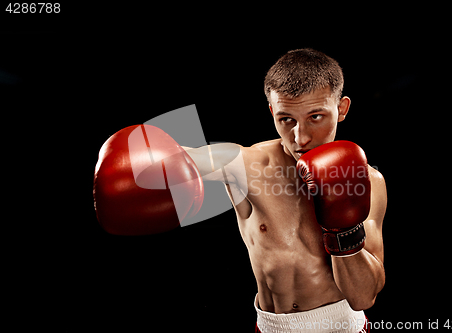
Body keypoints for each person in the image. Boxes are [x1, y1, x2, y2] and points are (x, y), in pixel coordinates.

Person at [94, 48, 387, 333]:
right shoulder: (245, 164)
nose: (301, 137)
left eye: (316, 117)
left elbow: (364, 297)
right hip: (273, 327)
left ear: (342, 108)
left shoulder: (369, 182)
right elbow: (167, 160)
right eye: (286, 119)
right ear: (272, 111)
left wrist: (343, 233)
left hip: (342, 326)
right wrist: (136, 167)